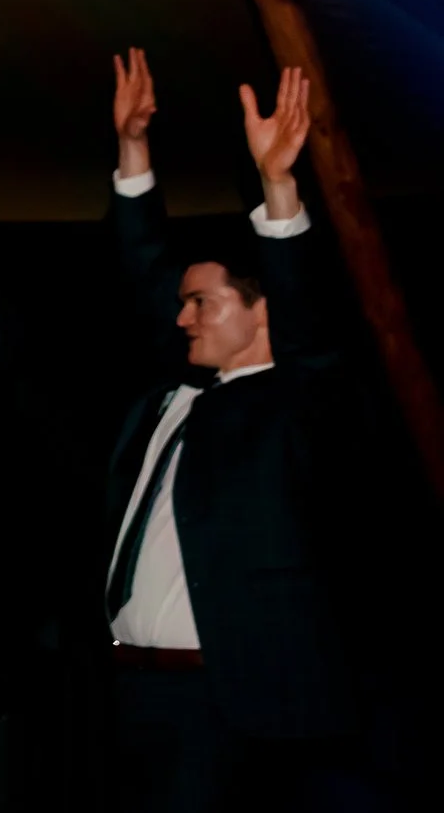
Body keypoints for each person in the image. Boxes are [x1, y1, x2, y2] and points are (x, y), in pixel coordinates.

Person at [98, 50, 406, 810]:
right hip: (130, 693)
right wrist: (133, 148)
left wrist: (278, 187)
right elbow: (144, 276)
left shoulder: (299, 404)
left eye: (203, 302)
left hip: (227, 708)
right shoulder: (182, 389)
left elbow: (310, 333)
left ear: (261, 310)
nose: (183, 316)